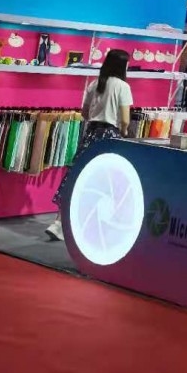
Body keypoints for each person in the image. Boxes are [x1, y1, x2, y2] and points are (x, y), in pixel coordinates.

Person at [46, 49, 133, 242]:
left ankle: (59, 222)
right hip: (110, 136)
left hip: (91, 133)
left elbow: (84, 112)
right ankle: (91, 225)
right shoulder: (122, 86)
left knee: (76, 174)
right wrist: (124, 131)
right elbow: (125, 119)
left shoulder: (95, 83)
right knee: (104, 181)